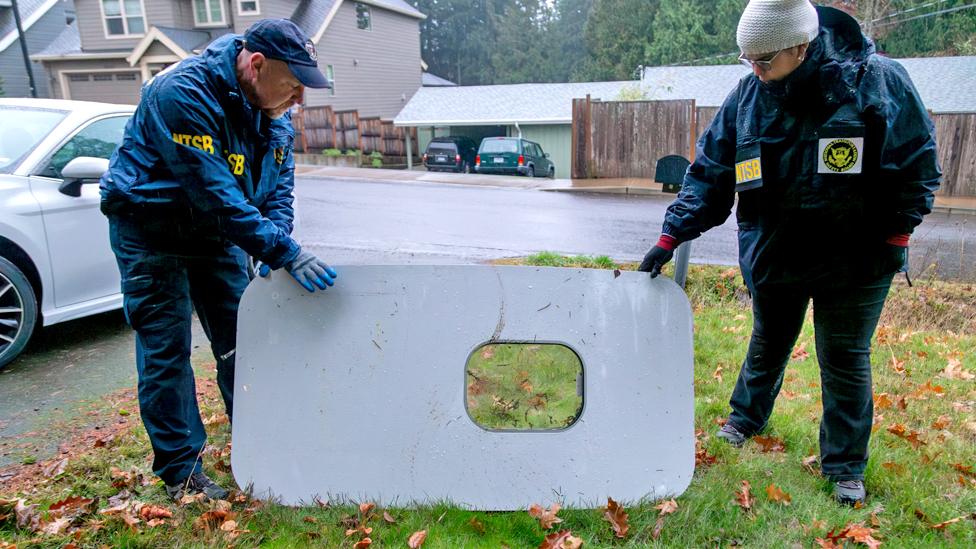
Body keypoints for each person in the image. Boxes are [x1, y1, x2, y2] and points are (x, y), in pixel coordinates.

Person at [638, 0, 940, 505]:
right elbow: (712, 171)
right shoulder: (748, 96)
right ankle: (744, 419)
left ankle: (844, 466)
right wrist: (671, 236)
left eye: (765, 60)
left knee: (844, 357)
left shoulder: (877, 81)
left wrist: (897, 234)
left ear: (801, 47)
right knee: (769, 339)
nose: (755, 71)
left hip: (856, 258)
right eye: (748, 61)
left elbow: (917, 163)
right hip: (776, 251)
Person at [101, 19, 338, 501]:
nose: (299, 101)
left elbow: (278, 189)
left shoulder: (273, 112)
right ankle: (181, 473)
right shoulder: (182, 93)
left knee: (244, 342)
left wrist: (278, 242)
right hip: (151, 228)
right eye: (293, 86)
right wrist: (284, 251)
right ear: (256, 66)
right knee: (168, 350)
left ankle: (260, 443)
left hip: (216, 233)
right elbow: (217, 194)